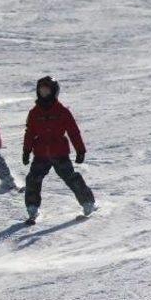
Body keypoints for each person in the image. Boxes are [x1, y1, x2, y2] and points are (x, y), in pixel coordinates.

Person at [23, 76, 96, 223]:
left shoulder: (62, 111)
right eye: (41, 90)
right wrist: (26, 151)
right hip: (41, 153)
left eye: (47, 90)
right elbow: (30, 132)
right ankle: (32, 207)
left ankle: (88, 202)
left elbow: (73, 131)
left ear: (54, 92)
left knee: (71, 177)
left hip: (59, 152)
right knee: (33, 179)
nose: (44, 93)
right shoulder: (34, 112)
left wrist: (80, 150)